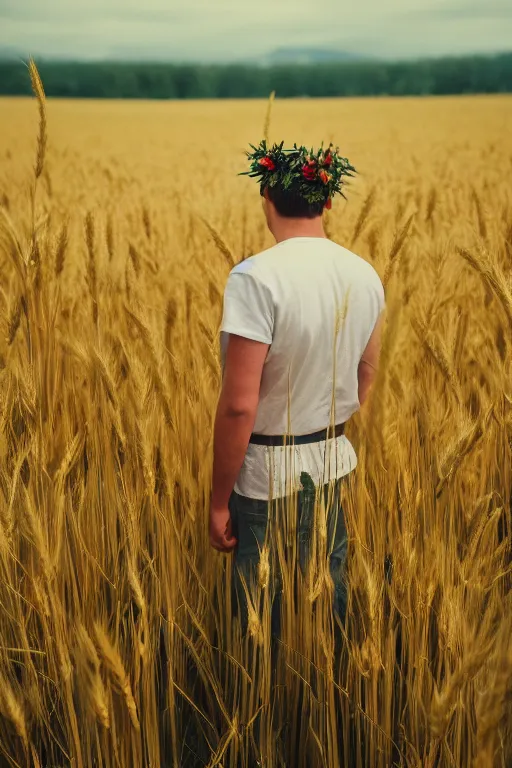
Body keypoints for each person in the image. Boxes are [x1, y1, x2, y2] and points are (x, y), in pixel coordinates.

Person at [209, 140, 385, 635]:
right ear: (327, 200)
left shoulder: (255, 278)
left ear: (266, 197)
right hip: (333, 464)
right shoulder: (365, 274)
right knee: (327, 608)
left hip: (266, 476)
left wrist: (219, 500)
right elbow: (365, 374)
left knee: (262, 623)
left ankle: (268, 710)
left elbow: (240, 407)